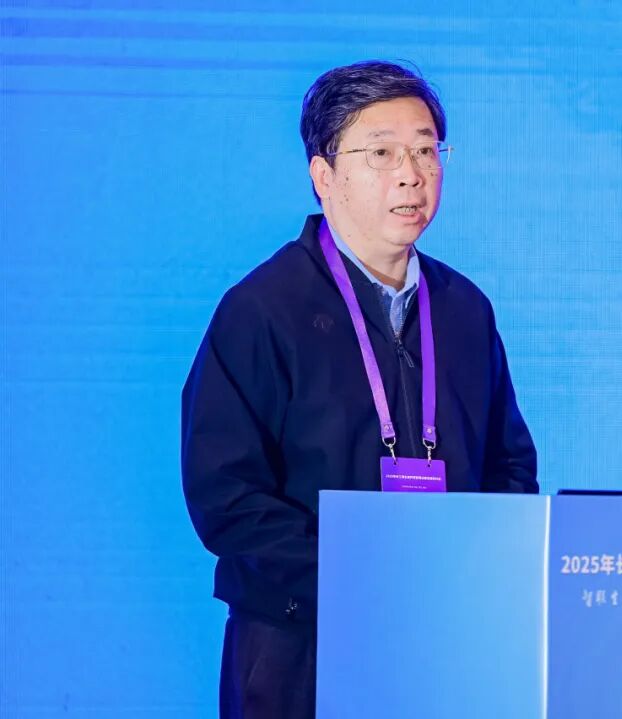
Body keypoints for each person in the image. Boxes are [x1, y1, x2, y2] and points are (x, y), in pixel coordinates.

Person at [181, 60, 539, 719]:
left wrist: (474, 575)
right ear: (324, 176)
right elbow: (225, 495)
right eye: (381, 153)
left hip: (444, 637)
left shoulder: (465, 308)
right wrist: (357, 581)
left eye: (426, 150)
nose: (411, 173)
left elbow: (509, 465)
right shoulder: (262, 309)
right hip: (300, 642)